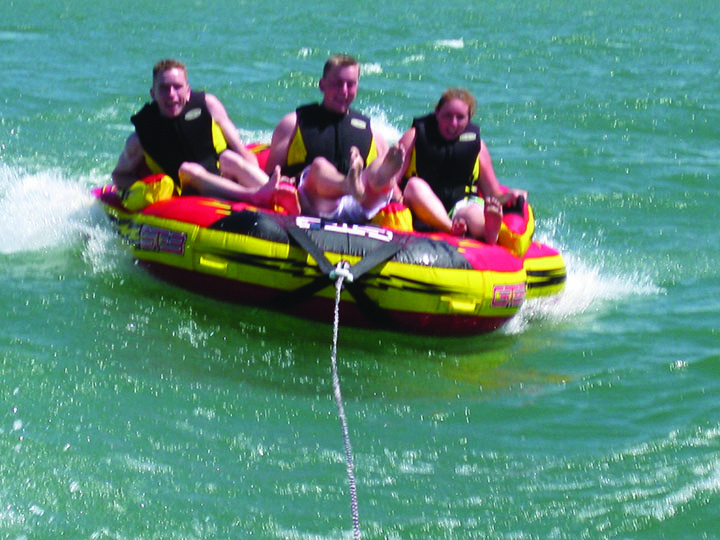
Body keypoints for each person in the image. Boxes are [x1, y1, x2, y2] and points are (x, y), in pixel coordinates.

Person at [112, 58, 299, 213]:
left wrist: (259, 175)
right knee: (188, 169)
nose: (171, 94)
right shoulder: (140, 138)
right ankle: (255, 196)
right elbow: (119, 176)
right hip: (187, 193)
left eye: (177, 87)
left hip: (222, 181)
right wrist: (148, 188)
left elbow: (242, 152)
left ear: (188, 90)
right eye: (164, 88)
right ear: (153, 94)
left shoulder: (209, 106)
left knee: (229, 157)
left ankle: (279, 193)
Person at [265, 54, 404, 223]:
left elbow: (398, 194)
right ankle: (347, 184)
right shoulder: (293, 123)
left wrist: (396, 195)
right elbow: (270, 174)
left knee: (379, 164)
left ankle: (375, 177)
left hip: (360, 204)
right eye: (337, 83)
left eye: (350, 85)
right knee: (319, 166)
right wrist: (283, 180)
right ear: (322, 85)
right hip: (314, 202)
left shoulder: (372, 131)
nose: (344, 91)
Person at [398, 88, 526, 244]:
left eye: (460, 117)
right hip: (421, 205)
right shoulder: (414, 136)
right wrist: (397, 200)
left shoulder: (477, 147)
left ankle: (489, 231)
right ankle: (450, 227)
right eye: (448, 116)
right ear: (437, 113)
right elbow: (391, 181)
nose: (453, 123)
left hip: (459, 207)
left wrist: (511, 196)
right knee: (414, 185)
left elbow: (492, 195)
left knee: (473, 211)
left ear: (469, 118)